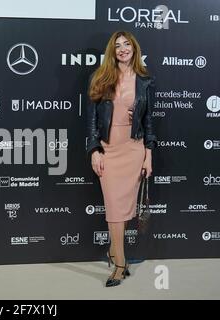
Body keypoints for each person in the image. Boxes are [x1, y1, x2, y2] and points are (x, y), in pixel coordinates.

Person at [86, 31, 156, 287]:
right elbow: (91, 120)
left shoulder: (145, 80)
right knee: (114, 210)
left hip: (134, 149)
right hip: (109, 150)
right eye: (118, 46)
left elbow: (149, 121)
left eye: (127, 44)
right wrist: (94, 149)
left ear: (134, 48)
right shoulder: (100, 77)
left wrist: (148, 155)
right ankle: (120, 263)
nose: (123, 48)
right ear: (112, 51)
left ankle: (114, 253)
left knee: (124, 210)